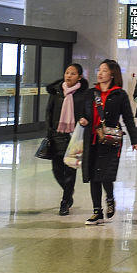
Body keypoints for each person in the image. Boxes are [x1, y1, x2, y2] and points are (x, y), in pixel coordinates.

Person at [81, 59, 137, 224]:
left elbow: (128, 117)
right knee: (93, 175)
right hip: (91, 139)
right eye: (99, 70)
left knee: (105, 173)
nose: (100, 73)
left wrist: (135, 139)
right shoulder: (91, 93)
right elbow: (82, 113)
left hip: (110, 140)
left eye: (104, 70)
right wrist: (83, 119)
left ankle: (109, 198)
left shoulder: (119, 94)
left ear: (112, 74)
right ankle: (96, 211)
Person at [44, 64, 89, 215]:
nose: (69, 76)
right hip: (57, 134)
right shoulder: (57, 92)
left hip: (75, 136)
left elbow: (88, 113)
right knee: (57, 170)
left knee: (70, 171)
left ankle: (65, 201)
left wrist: (85, 120)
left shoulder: (83, 95)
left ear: (79, 77)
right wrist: (49, 131)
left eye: (73, 73)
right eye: (67, 73)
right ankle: (68, 191)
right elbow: (49, 112)